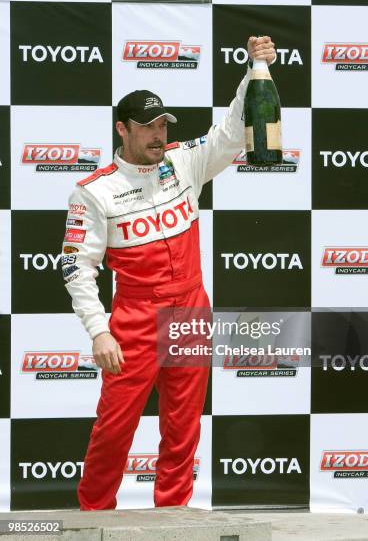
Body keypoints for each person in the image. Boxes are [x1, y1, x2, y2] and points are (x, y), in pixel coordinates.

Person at [61, 36, 276, 510]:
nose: (158, 134)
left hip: (191, 309)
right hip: (135, 318)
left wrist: (253, 70)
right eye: (147, 127)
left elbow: (232, 134)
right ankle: (91, 517)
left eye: (162, 124)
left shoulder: (182, 161)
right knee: (114, 428)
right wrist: (100, 332)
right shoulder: (93, 191)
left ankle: (173, 521)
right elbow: (78, 269)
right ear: (122, 130)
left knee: (182, 427)